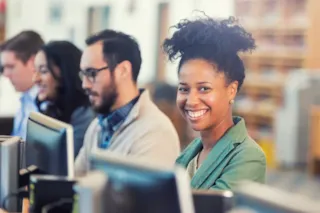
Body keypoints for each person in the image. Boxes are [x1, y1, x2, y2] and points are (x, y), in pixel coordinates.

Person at [162, 15, 266, 190]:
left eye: (204, 89)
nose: (191, 100)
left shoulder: (249, 157)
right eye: (184, 89)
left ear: (231, 90)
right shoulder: (194, 150)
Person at [75, 29, 180, 176]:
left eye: (92, 74)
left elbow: (138, 198)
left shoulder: (154, 133)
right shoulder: (98, 126)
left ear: (123, 70)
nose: (85, 85)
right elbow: (75, 180)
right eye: (83, 75)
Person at [33, 41, 95, 158]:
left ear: (65, 73)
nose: (35, 79)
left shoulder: (84, 115)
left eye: (43, 71)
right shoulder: (53, 108)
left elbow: (66, 164)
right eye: (35, 71)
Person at [0, 31, 44, 140]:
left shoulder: (44, 105)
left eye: (10, 67)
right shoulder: (26, 99)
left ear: (34, 62)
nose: (5, 74)